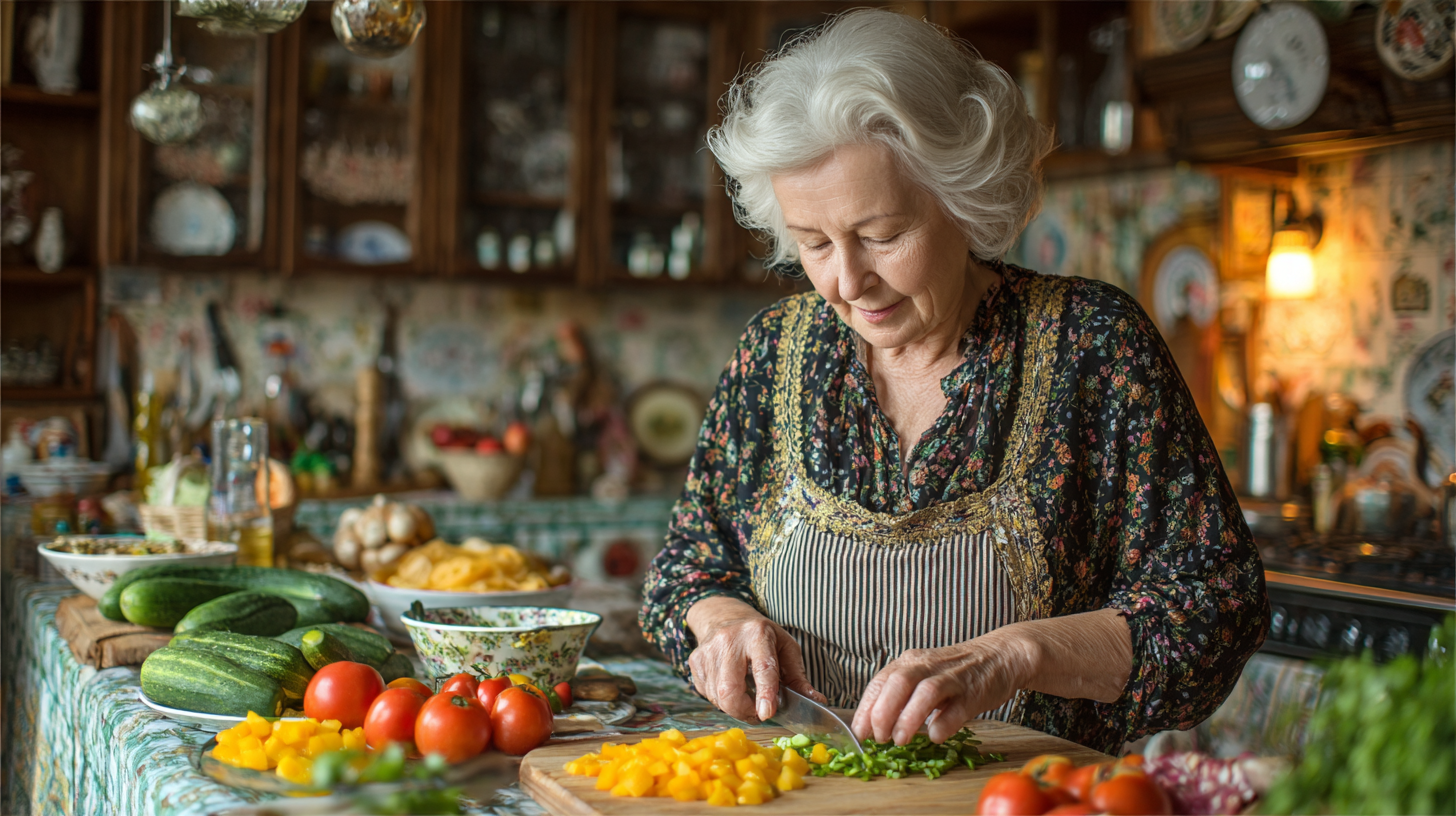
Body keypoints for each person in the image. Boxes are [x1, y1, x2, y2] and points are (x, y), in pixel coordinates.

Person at [639, 9, 1269, 755]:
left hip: (1024, 802)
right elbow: (688, 564)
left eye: (882, 236)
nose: (846, 280)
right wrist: (723, 624)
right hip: (796, 796)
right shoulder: (774, 351)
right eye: (813, 243)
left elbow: (1214, 608)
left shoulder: (1094, 347)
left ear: (962, 197)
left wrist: (1012, 656)